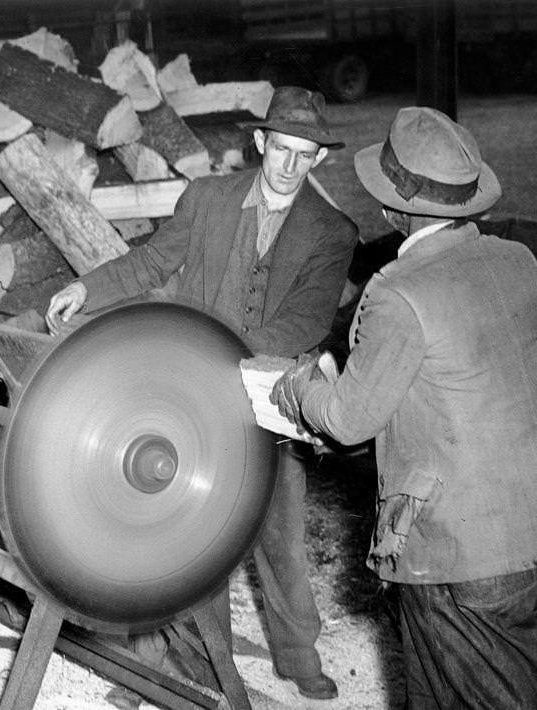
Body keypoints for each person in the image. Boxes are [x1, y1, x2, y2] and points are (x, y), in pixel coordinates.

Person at [46, 86, 359, 700]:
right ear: (260, 143)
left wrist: (215, 355)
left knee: (281, 533)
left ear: (319, 158)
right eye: (281, 150)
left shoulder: (332, 230)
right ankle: (156, 662)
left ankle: (298, 658)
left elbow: (306, 321)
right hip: (196, 393)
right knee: (181, 529)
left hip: (274, 397)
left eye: (305, 155)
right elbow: (152, 260)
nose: (290, 166)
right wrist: (88, 288)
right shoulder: (208, 199)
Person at [271, 106, 537, 709]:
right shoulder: (519, 261)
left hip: (463, 558)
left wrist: (299, 385)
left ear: (396, 210)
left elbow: (346, 419)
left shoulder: (396, 293)